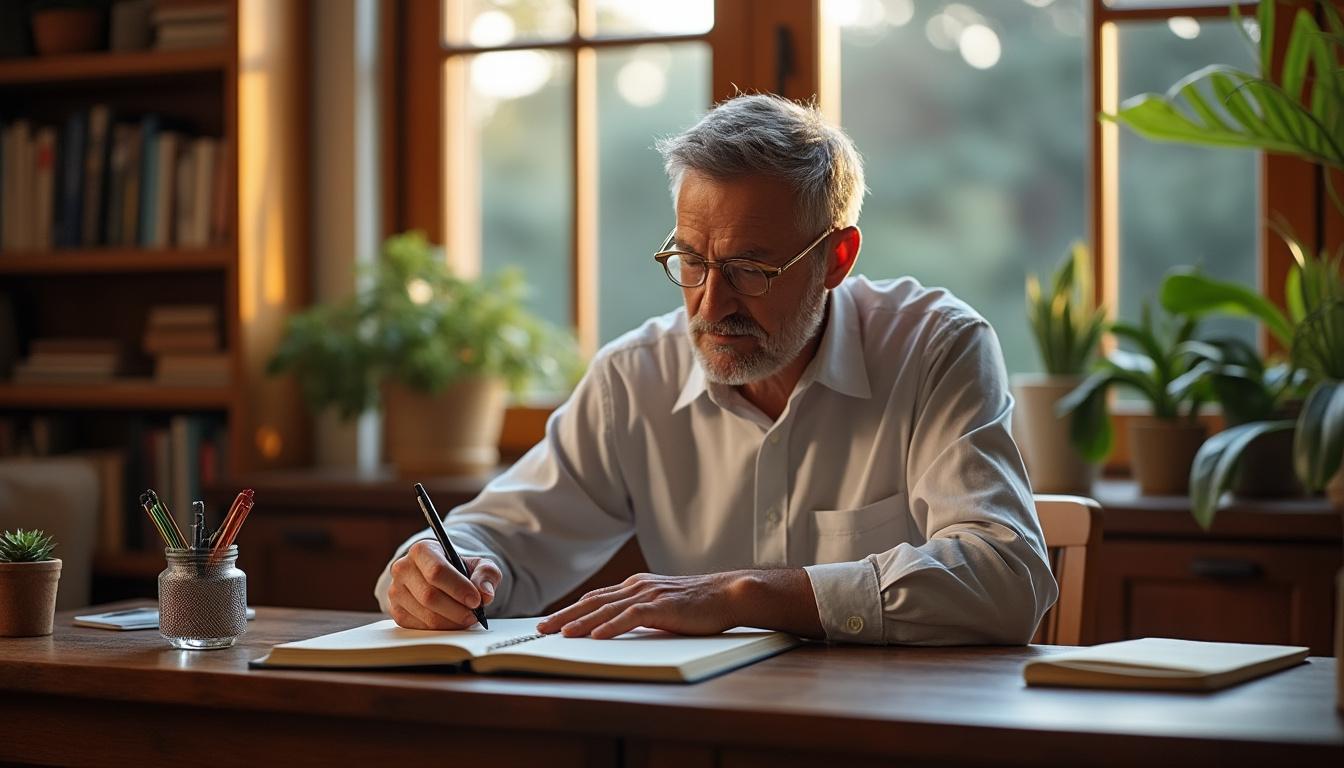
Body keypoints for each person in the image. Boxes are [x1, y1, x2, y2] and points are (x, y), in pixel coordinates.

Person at [374, 93, 1057, 645]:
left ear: (837, 259)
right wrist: (436, 573)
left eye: (750, 269)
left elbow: (1007, 575)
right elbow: (502, 538)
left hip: (889, 731)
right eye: (692, 261)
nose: (711, 303)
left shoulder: (935, 349)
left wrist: (746, 593)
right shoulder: (634, 379)